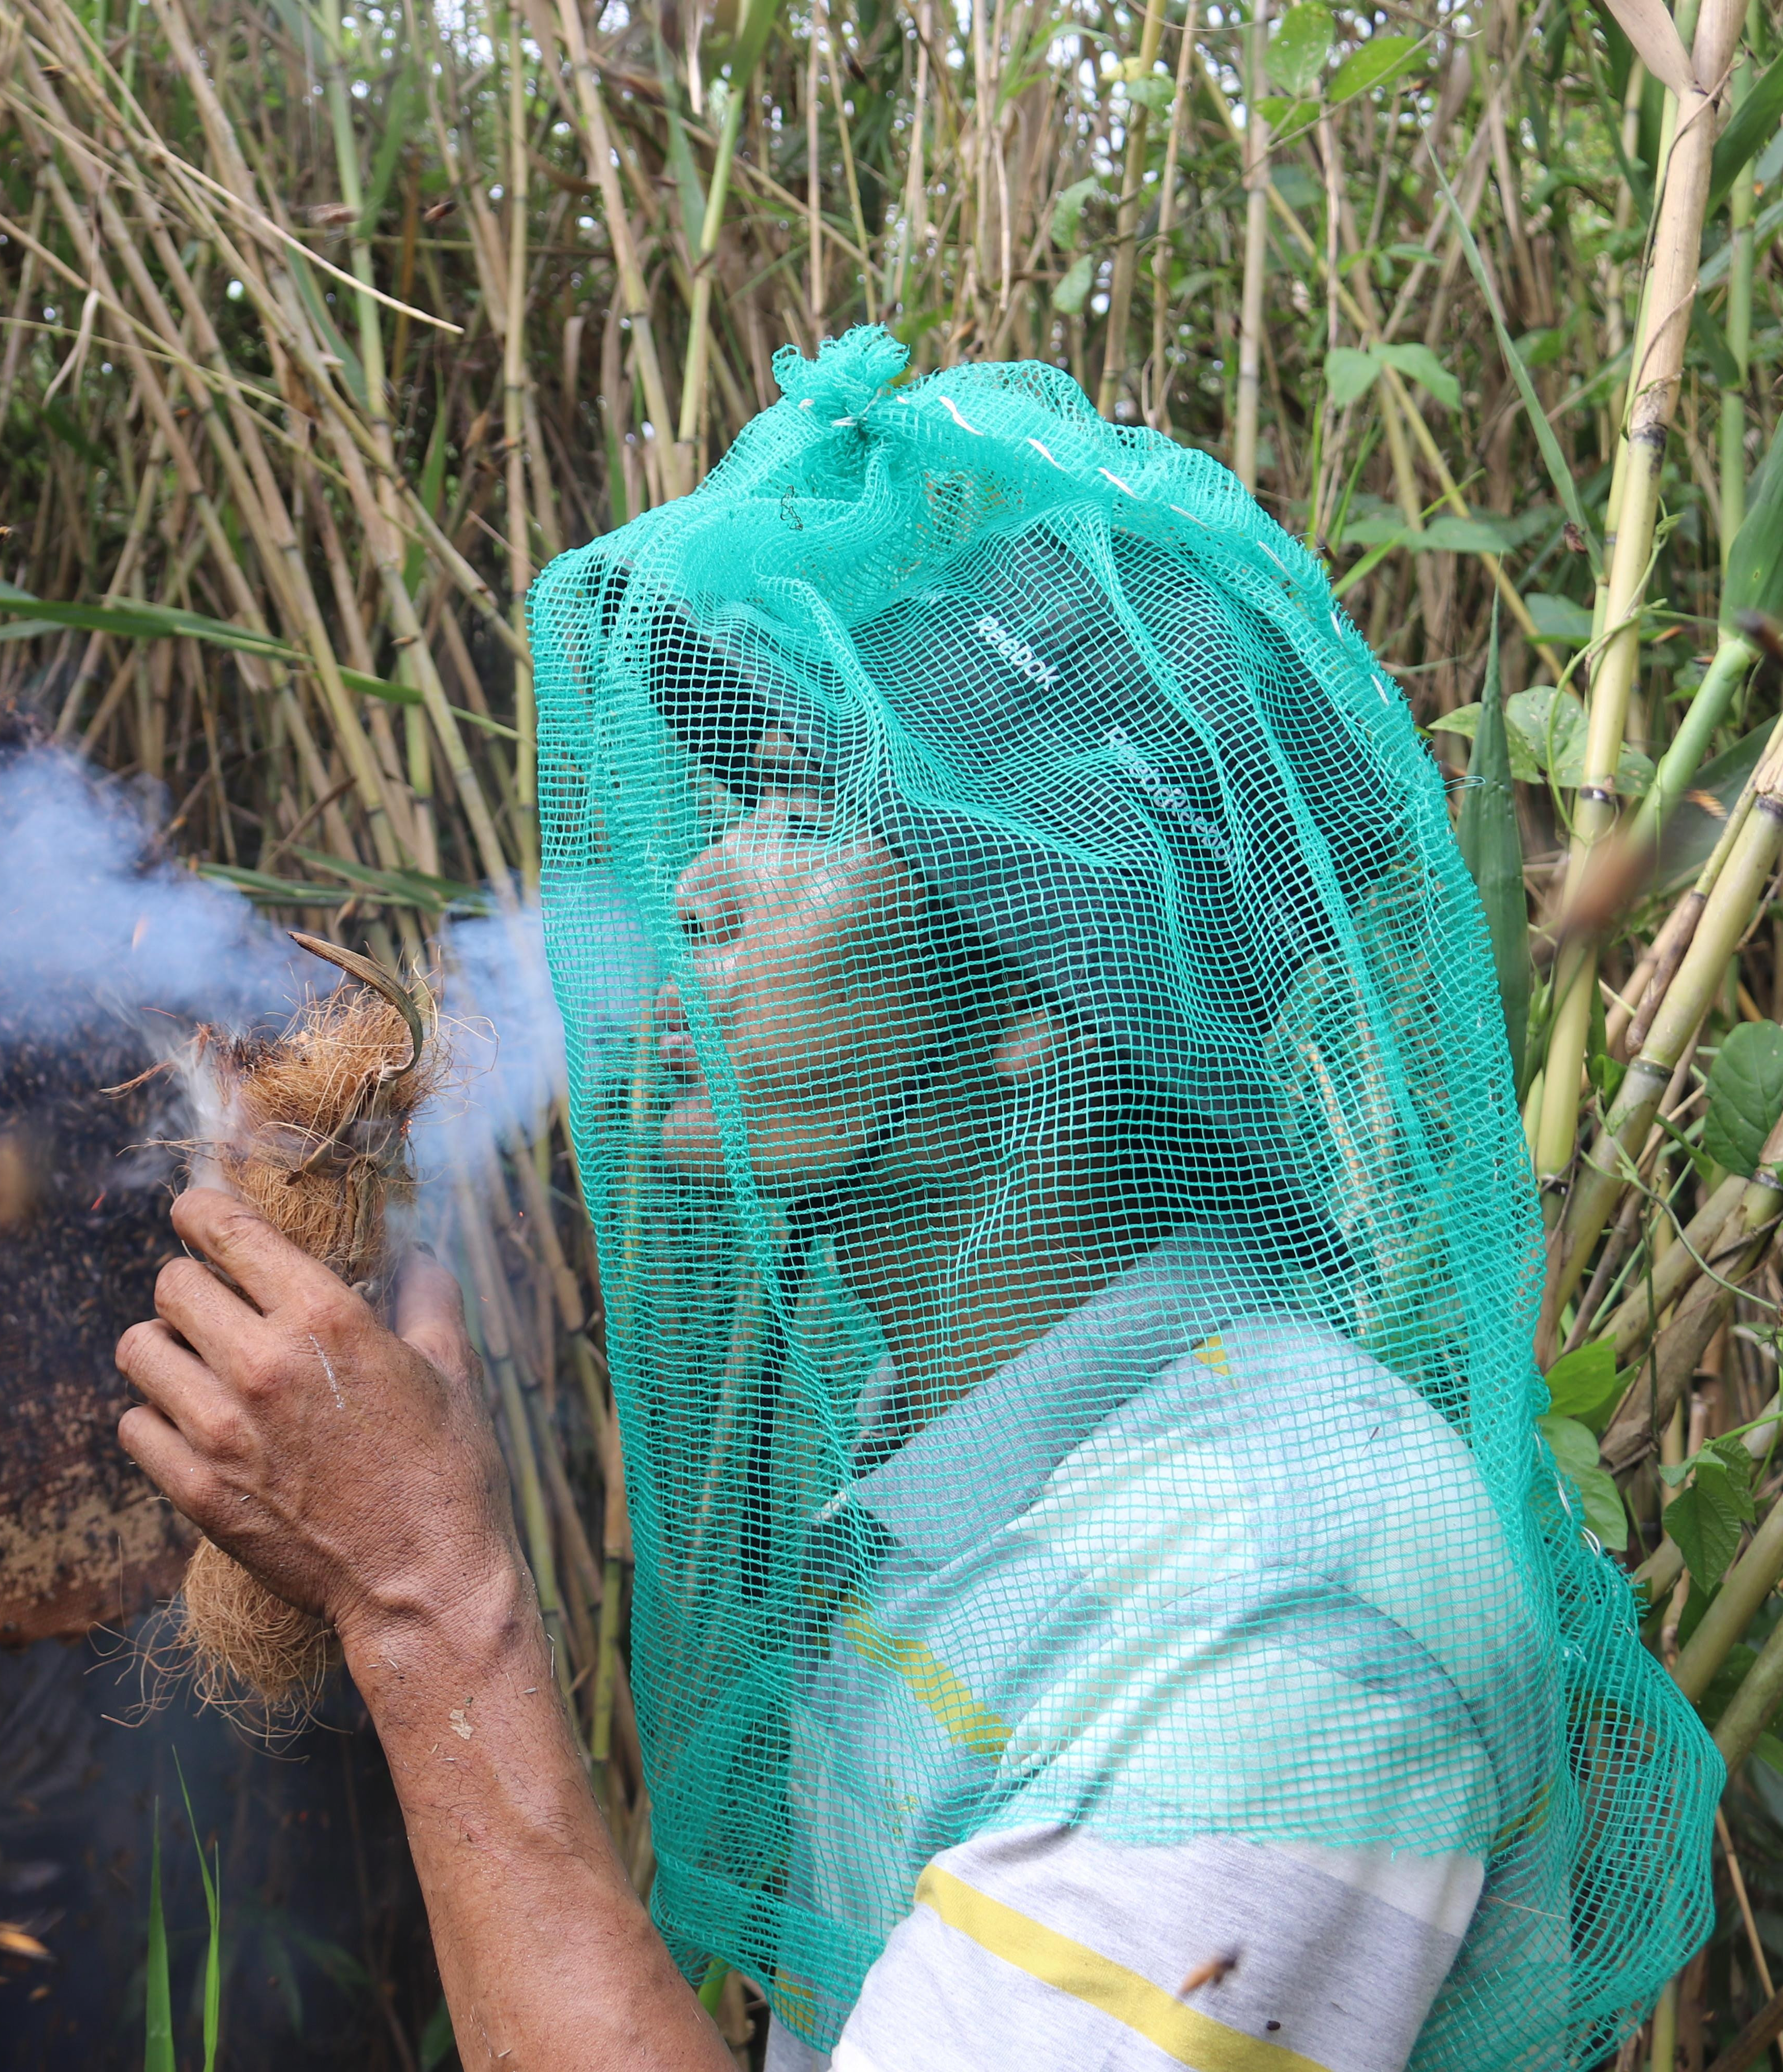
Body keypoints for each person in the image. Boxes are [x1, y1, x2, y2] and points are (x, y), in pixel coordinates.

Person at [113, 330, 1717, 2070]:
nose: (704, 877)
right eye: (746, 796)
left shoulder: (1275, 1603)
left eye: (815, 812)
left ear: (1046, 996)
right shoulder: (965, 1440)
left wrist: (431, 1599)